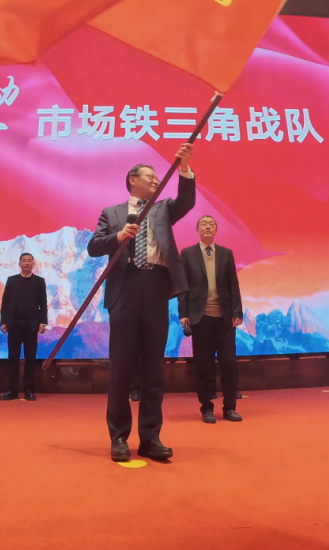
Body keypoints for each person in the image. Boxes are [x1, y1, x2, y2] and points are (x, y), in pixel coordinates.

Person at [88, 145, 195, 462]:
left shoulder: (163, 209)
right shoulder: (112, 213)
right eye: (150, 175)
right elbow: (94, 246)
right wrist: (119, 236)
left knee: (154, 368)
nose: (155, 179)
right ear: (133, 180)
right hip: (124, 289)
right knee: (121, 367)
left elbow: (186, 202)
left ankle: (150, 437)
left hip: (156, 287)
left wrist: (184, 169)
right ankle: (119, 437)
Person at [178, 215, 243, 423]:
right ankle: (206, 408)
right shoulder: (187, 254)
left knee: (229, 364)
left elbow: (233, 284)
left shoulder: (226, 253)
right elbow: (183, 287)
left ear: (216, 230)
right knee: (203, 365)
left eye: (211, 224)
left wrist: (237, 312)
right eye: (204, 224)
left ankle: (230, 408)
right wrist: (183, 313)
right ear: (197, 229)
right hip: (200, 318)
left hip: (224, 318)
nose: (208, 227)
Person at [0, 252, 48, 401]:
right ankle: (12, 390)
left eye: (29, 261)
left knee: (30, 358)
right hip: (14, 324)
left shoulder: (39, 281)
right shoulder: (12, 280)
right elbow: (5, 302)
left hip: (31, 325)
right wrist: (3, 321)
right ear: (19, 264)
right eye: (24, 261)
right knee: (12, 358)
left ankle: (29, 390)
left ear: (33, 264)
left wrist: (43, 322)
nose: (26, 263)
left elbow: (43, 303)